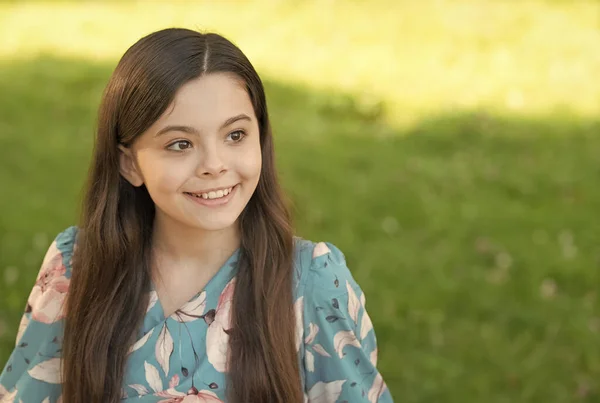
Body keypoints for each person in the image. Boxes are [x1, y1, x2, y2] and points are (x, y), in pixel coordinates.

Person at [0, 28, 392, 403]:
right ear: (129, 164)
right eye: (181, 143)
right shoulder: (77, 269)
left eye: (235, 135)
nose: (214, 164)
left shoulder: (312, 284)